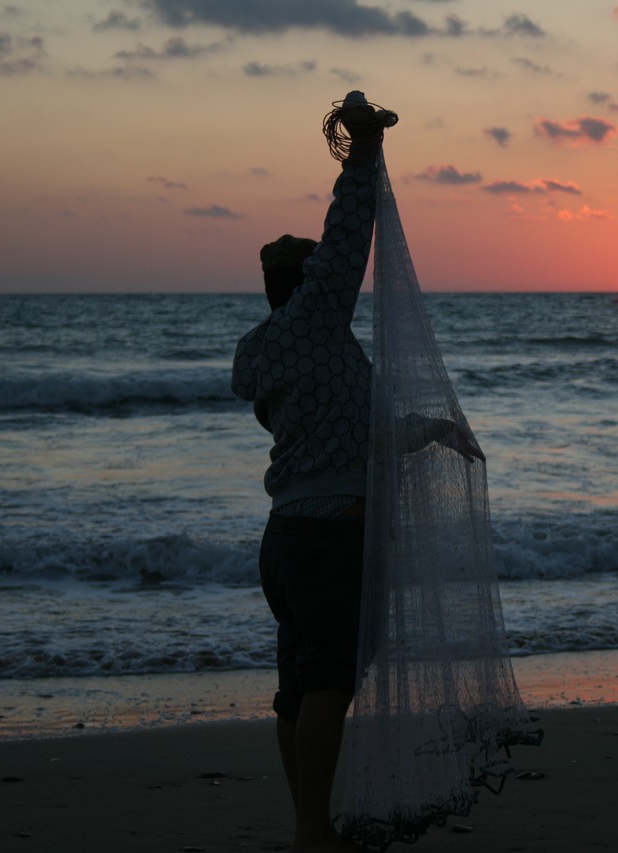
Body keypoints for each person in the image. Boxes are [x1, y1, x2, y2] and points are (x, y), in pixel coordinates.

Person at [230, 92, 386, 853]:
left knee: (298, 684)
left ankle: (308, 824)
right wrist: (362, 146)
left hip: (284, 538)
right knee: (328, 680)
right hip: (327, 538)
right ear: (309, 284)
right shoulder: (319, 321)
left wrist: (425, 431)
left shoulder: (261, 351)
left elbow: (336, 432)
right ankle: (311, 833)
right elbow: (348, 230)